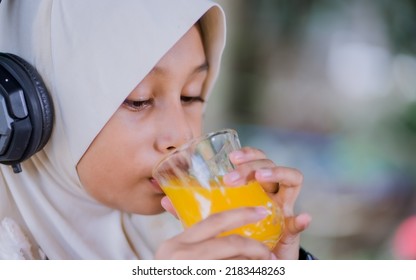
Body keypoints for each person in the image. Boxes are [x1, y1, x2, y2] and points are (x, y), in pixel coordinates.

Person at [0, 0, 312, 259]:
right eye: (139, 100)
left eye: (191, 95)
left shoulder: (179, 237)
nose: (182, 136)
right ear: (25, 108)